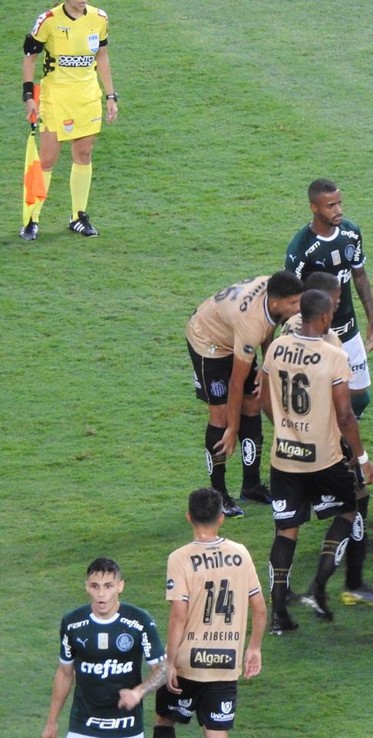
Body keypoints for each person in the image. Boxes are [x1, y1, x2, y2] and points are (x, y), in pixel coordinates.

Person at [260, 289, 373, 635]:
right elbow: (345, 415)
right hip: (325, 459)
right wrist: (361, 458)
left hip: (284, 458)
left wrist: (283, 427)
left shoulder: (276, 347)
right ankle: (318, 586)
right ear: (326, 317)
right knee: (352, 508)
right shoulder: (333, 355)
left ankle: (278, 615)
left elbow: (263, 396)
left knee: (286, 533)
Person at [185, 272, 305, 517]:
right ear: (275, 302)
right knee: (220, 417)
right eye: (293, 303)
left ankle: (251, 486)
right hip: (209, 342)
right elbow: (236, 383)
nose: (298, 307)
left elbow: (268, 326)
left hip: (233, 335)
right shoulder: (251, 324)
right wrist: (231, 430)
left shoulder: (273, 289)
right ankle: (218, 494)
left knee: (252, 405)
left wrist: (265, 365)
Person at [154, 487, 265, 737]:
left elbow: (178, 616)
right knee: (216, 732)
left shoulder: (179, 558)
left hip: (187, 662)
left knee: (164, 719)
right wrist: (254, 648)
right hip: (225, 663)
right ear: (221, 517)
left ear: (188, 517)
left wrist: (170, 662)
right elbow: (259, 608)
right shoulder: (241, 554)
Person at [21, 0, 118, 240]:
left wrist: (110, 95)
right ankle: (31, 219)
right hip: (56, 97)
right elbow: (29, 57)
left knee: (84, 154)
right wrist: (28, 96)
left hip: (87, 97)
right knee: (47, 159)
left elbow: (102, 57)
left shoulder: (99, 18)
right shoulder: (49, 21)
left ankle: (78, 216)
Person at [284, 179, 373, 420]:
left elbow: (360, 276)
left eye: (339, 203)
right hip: (318, 334)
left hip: (347, 327)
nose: (338, 210)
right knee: (319, 396)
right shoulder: (301, 248)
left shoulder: (351, 232)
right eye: (330, 206)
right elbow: (290, 297)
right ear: (314, 208)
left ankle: (338, 434)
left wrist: (371, 320)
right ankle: (332, 440)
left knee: (361, 393)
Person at [42, 558, 166, 738]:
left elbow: (162, 669)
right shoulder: (72, 623)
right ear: (87, 587)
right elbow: (65, 673)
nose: (101, 594)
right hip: (82, 727)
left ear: (120, 586)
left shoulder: (140, 621)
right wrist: (51, 722)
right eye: (95, 586)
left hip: (127, 727)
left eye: (108, 586)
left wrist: (139, 692)